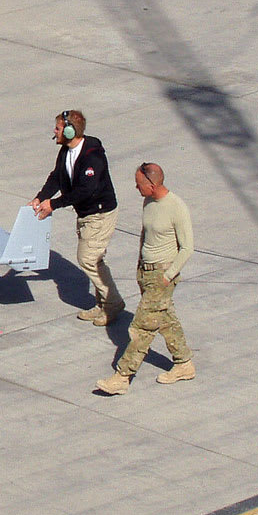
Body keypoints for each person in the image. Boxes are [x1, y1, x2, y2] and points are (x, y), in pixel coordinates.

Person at [96, 162, 196, 395]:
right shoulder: (148, 202)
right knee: (165, 319)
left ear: (152, 184)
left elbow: (187, 248)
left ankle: (123, 376)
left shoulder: (176, 207)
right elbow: (146, 234)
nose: (136, 187)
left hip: (162, 275)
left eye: (139, 184)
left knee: (141, 327)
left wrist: (168, 276)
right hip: (146, 272)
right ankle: (184, 363)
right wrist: (141, 266)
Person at [29, 110, 124, 326]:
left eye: (58, 128)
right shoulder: (66, 151)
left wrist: (53, 204)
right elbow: (57, 177)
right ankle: (103, 304)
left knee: (88, 259)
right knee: (94, 259)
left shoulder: (92, 155)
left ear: (70, 131)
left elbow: (85, 190)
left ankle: (113, 303)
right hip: (85, 214)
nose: (54, 132)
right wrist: (40, 197)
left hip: (99, 213)